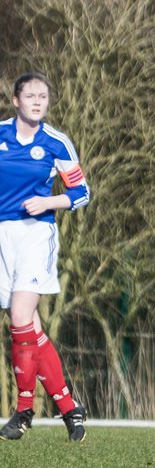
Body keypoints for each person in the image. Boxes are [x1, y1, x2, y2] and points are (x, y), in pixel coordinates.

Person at [0, 73, 90, 442]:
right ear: (16, 99)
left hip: (37, 233)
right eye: (31, 95)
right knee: (28, 328)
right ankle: (69, 409)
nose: (38, 101)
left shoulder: (55, 142)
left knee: (20, 317)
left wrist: (49, 201)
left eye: (44, 96)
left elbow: (81, 192)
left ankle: (23, 411)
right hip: (3, 235)